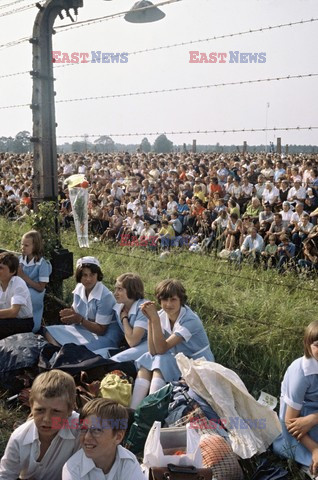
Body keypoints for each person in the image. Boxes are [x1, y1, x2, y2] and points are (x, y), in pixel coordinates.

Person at [130, 279, 214, 409]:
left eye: (173, 299)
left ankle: (151, 410)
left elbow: (162, 348)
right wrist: (151, 320)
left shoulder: (190, 320)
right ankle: (133, 410)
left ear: (181, 300)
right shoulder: (162, 315)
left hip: (197, 363)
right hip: (180, 360)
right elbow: (153, 351)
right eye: (164, 300)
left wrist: (155, 320)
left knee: (161, 361)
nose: (168, 304)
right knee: (147, 360)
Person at [0, 369, 80, 480]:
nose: (47, 419)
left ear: (70, 409)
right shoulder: (19, 438)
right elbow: (5, 475)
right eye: (40, 410)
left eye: (56, 411)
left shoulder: (80, 428)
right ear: (31, 405)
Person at [45, 257, 121, 353]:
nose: (88, 279)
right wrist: (70, 314)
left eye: (92, 274)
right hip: (83, 330)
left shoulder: (106, 296)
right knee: (48, 331)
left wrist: (80, 320)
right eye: (84, 275)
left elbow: (101, 330)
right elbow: (76, 312)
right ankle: (58, 354)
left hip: (104, 337)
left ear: (98, 275)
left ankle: (62, 355)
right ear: (79, 276)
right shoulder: (79, 288)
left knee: (76, 351)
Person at [273, 321, 318, 477]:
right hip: (298, 416)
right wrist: (314, 449)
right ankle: (307, 461)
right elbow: (291, 422)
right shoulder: (301, 373)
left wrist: (314, 418)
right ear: (307, 344)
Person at [63, 398, 146, 479]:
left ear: (118, 437)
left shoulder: (128, 462)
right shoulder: (73, 469)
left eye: (97, 430)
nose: (87, 437)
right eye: (83, 429)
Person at [109, 273, 149, 362]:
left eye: (120, 289)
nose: (115, 293)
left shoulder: (143, 308)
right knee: (103, 354)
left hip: (149, 345)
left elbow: (133, 341)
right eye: (115, 289)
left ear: (132, 290)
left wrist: (124, 319)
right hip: (132, 346)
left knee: (115, 360)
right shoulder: (119, 307)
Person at [18, 230, 52, 332]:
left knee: (24, 299)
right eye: (22, 244)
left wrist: (23, 276)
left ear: (35, 246)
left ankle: (31, 328)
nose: (23, 247)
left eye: (26, 245)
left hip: (35, 292)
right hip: (23, 289)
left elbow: (41, 287)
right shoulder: (20, 259)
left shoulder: (42, 264)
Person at [0, 252, 33, 340]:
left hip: (23, 322)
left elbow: (13, 312)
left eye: (1, 268)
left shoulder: (18, 283)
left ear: (12, 271)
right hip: (6, 320)